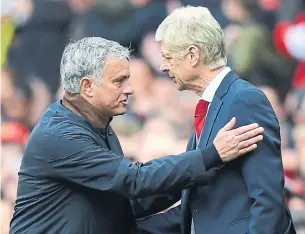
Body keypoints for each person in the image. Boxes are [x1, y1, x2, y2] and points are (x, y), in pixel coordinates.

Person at [9, 37, 264, 234]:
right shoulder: (60, 135)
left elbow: (125, 205)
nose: (130, 89)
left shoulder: (98, 124)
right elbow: (135, 181)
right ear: (87, 86)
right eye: (119, 81)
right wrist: (212, 155)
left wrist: (202, 182)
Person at [138, 6, 296, 234]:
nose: (163, 66)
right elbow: (202, 206)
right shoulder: (212, 105)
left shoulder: (244, 100)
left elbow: (268, 201)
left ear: (193, 55)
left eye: (168, 57)